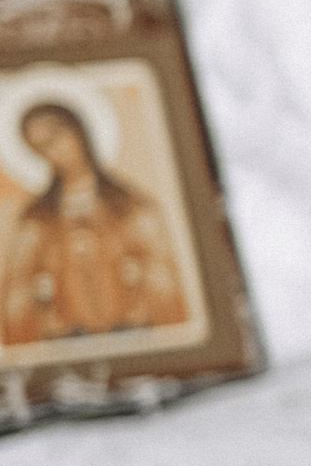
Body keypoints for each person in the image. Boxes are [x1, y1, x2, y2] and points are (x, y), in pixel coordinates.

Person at [0, 92, 191, 347]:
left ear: (78, 129)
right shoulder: (37, 219)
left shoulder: (129, 206)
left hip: (135, 335)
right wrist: (46, 316)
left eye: (57, 133)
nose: (55, 148)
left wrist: (140, 298)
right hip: (68, 343)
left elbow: (164, 275)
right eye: (42, 146)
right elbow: (16, 292)